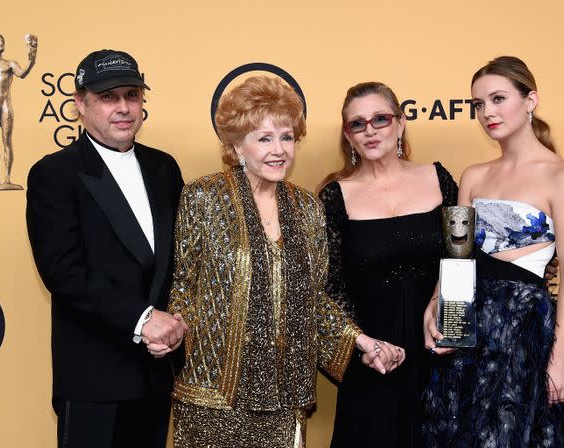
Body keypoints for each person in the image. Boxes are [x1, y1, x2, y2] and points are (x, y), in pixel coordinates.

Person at [166, 75, 403, 448]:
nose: (278, 149)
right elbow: (184, 284)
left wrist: (362, 342)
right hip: (213, 399)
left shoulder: (308, 208)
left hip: (285, 400)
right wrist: (175, 325)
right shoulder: (203, 198)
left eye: (287, 137)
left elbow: (315, 301)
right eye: (264, 138)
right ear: (237, 146)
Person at [423, 56, 564, 447]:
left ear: (530, 100)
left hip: (520, 332)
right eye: (478, 104)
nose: (487, 113)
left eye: (498, 99)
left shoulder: (563, 178)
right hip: (466, 331)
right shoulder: (473, 176)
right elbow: (457, 260)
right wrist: (435, 307)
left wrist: (560, 358)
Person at [26, 49, 188, 448]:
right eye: (108, 97)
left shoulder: (164, 167)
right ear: (80, 103)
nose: (123, 108)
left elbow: (181, 261)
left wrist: (178, 323)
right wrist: (143, 318)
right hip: (93, 378)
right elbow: (63, 271)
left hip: (157, 372)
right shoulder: (54, 173)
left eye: (132, 95)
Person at [318, 81, 458, 448]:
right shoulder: (335, 196)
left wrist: (454, 328)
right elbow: (329, 287)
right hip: (374, 359)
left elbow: (463, 259)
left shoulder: (439, 179)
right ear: (348, 136)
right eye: (357, 124)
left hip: (441, 350)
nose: (370, 130)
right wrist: (361, 347)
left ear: (401, 122)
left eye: (380, 118)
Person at [0, 33, 37, 189]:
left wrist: (32, 60)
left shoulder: (9, 64)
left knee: (7, 142)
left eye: (2, 40)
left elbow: (23, 74)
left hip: (6, 106)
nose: (0, 42)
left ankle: (7, 179)